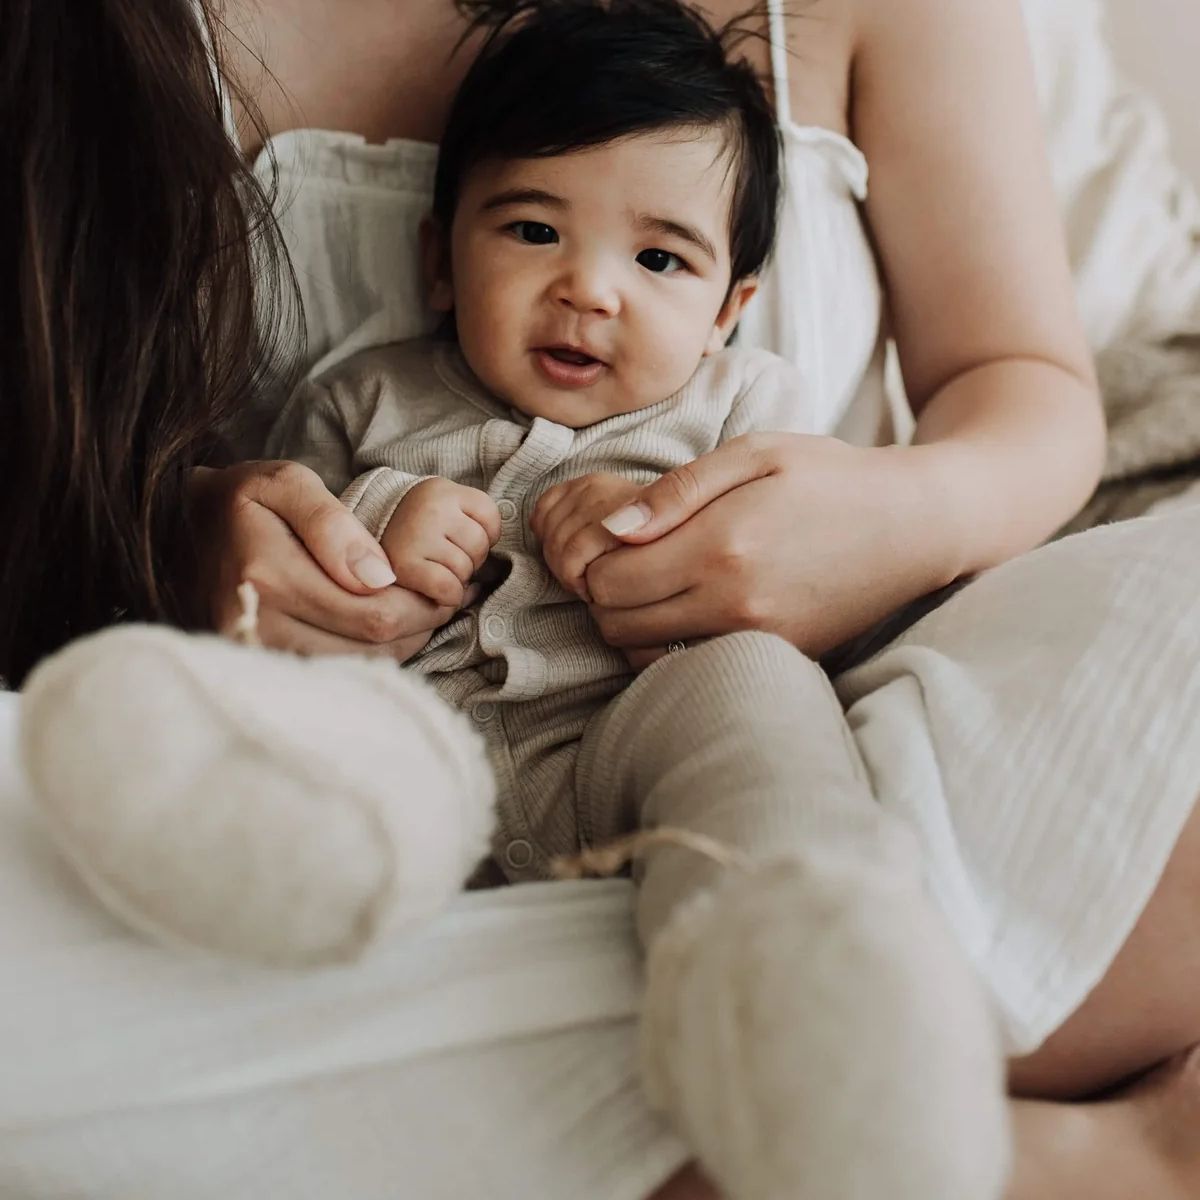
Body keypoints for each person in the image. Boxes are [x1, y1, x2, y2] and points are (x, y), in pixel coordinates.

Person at [8, 1, 1200, 1197]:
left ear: (731, 306)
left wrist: (881, 520)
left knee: (758, 710)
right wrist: (255, 534)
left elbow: (1021, 385)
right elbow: (299, 493)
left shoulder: (739, 398)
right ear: (440, 260)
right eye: (532, 231)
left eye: (661, 260)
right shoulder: (367, 395)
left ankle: (797, 953)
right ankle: (870, 1115)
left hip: (699, 726)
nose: (587, 290)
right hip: (402, 728)